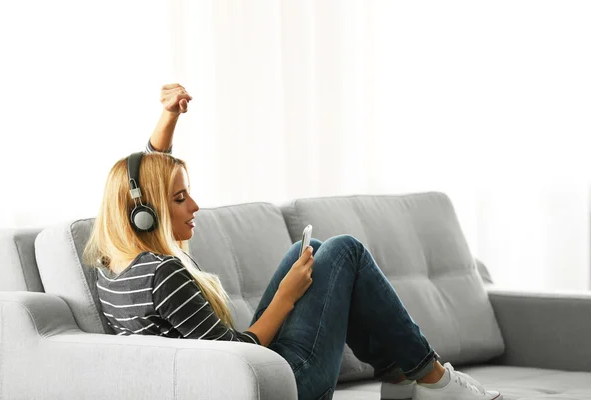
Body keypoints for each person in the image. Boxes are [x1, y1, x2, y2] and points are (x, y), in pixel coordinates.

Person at [83, 83, 502, 400]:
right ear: (146, 213)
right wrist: (285, 295)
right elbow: (232, 352)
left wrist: (168, 116)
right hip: (273, 387)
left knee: (314, 252)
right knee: (344, 251)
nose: (195, 205)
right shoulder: (165, 275)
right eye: (179, 198)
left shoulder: (114, 263)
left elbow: (141, 180)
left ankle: (397, 379)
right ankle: (435, 381)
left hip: (240, 379)